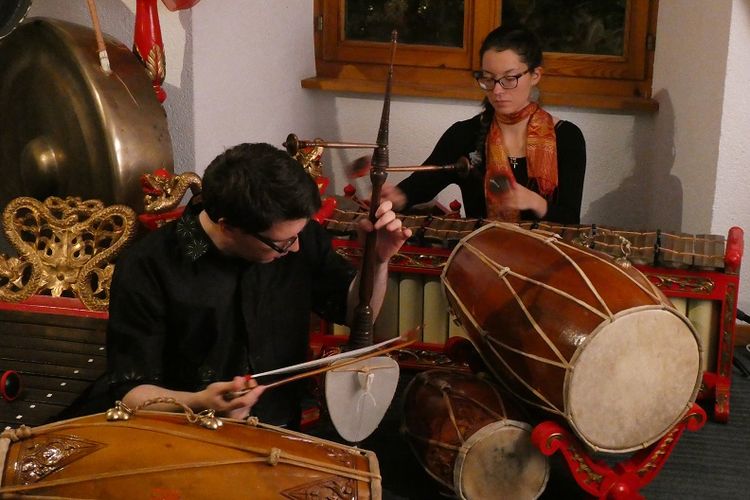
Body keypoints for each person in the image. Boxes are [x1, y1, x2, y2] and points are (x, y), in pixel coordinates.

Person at [90, 142, 411, 428]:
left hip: (282, 430)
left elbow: (356, 314)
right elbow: (130, 393)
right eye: (283, 244)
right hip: (187, 438)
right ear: (228, 227)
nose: (297, 249)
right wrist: (201, 403)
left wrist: (377, 261)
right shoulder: (149, 265)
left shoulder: (300, 236)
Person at [381, 25, 586, 223]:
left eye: (509, 79)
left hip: (546, 254)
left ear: (535, 75)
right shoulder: (463, 135)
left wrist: (535, 202)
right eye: (488, 79)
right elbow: (418, 187)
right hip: (480, 252)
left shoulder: (567, 137)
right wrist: (396, 198)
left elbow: (570, 220)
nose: (497, 91)